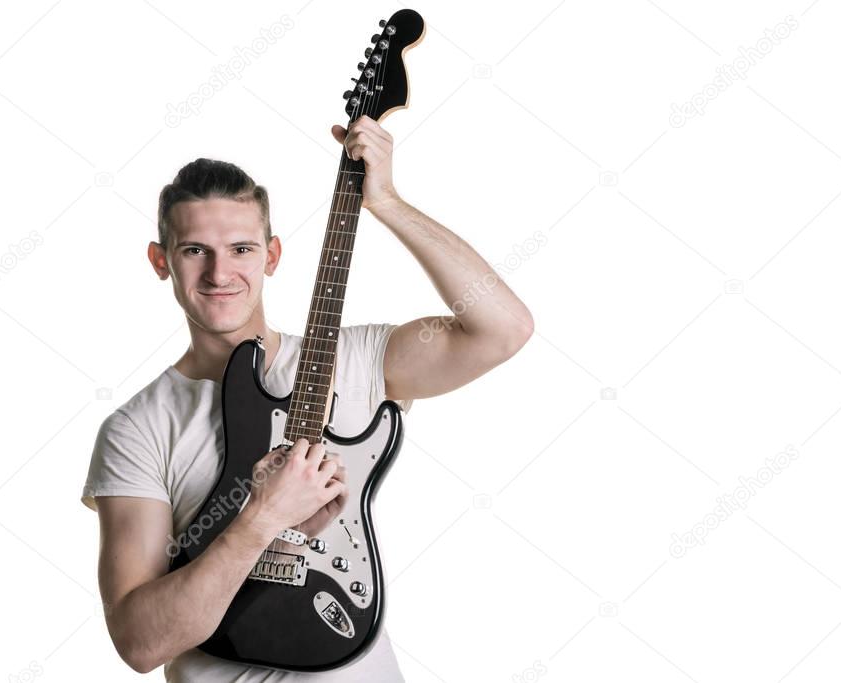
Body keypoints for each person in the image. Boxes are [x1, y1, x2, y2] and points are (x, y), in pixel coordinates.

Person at [81, 115, 533, 681]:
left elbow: (503, 329)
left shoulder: (356, 360)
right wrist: (263, 516)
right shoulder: (137, 428)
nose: (221, 272)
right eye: (196, 250)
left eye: (242, 248)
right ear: (160, 260)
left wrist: (387, 201)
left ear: (271, 256)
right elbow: (140, 643)